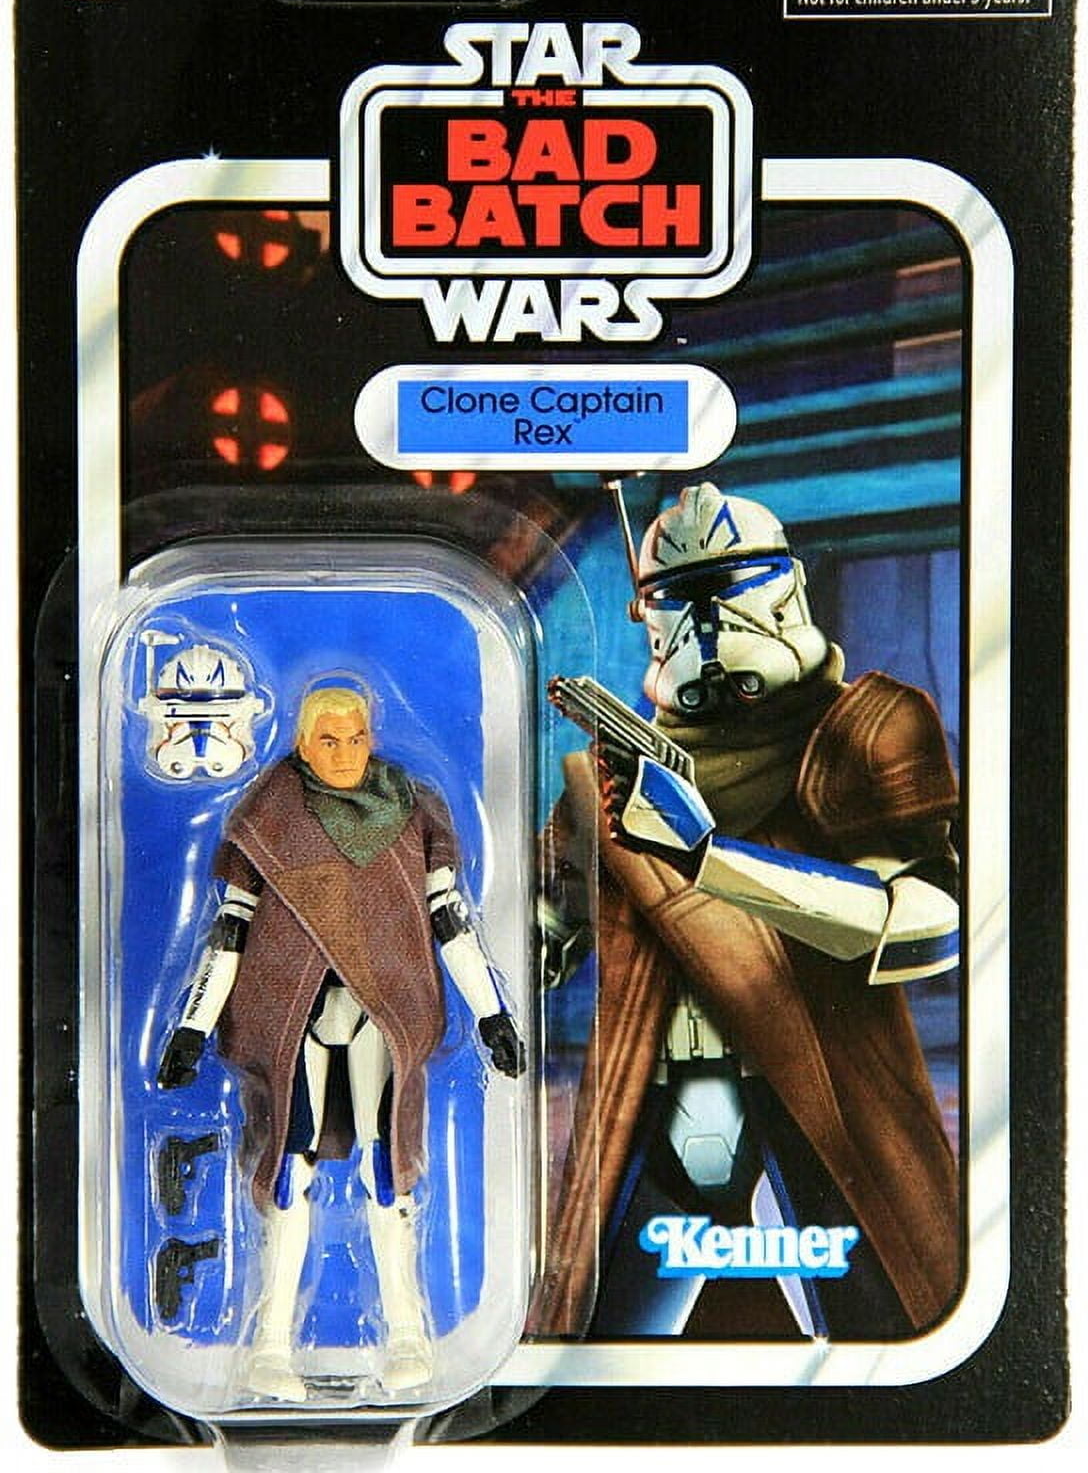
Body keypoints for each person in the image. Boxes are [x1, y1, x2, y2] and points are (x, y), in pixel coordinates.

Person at [536, 485, 959, 1341]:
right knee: (581, 1358)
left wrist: (709, 857)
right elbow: (546, 935)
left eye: (730, 593)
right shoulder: (608, 778)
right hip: (646, 1097)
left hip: (817, 1101)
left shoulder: (867, 732)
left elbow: (923, 925)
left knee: (883, 1345)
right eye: (680, 604)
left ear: (786, 590)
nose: (708, 627)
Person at [158, 683, 524, 1401]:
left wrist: (492, 1014)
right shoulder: (269, 816)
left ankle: (408, 1333)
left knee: (386, 1172)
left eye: (356, 738)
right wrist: (193, 1027)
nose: (345, 753)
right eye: (329, 740)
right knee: (288, 1172)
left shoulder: (412, 810)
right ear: (302, 743)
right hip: (291, 1016)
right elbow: (229, 932)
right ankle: (270, 1346)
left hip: (381, 1014)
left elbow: (449, 919)